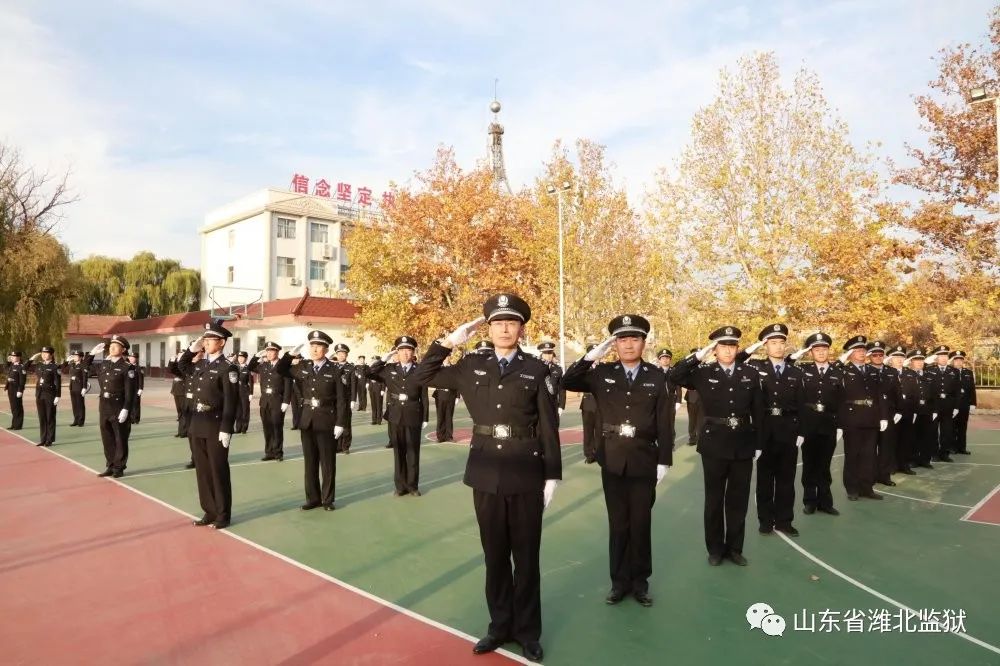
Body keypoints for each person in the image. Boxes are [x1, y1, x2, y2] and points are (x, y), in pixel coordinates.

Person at [412, 293, 560, 663]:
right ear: (489, 328)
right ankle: (499, 626)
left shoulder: (536, 369)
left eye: (511, 322)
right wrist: (447, 342)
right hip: (485, 473)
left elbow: (548, 425)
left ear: (521, 328)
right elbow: (418, 377)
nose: (505, 328)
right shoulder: (469, 365)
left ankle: (527, 632)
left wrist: (552, 476)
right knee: (495, 557)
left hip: (526, 470)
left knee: (526, 560)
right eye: (497, 323)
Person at [563, 315, 672, 608]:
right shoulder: (602, 373)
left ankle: (640, 583)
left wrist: (665, 459)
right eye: (622, 339)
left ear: (644, 343)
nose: (628, 345)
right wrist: (591, 356)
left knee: (640, 523)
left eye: (634, 339)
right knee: (618, 524)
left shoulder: (657, 376)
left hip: (643, 458)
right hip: (611, 458)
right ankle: (618, 583)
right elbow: (567, 380)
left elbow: (665, 420)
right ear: (615, 344)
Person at [668, 326, 764, 567]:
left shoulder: (750, 373)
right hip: (714, 442)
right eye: (722, 346)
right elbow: (674, 376)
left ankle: (734, 548)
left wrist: (759, 442)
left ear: (737, 349)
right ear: (715, 349)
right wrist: (699, 355)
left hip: (743, 441)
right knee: (714, 499)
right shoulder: (703, 373)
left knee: (738, 499)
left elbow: (759, 411)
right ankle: (714, 548)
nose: (728, 350)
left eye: (732, 346)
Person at [737, 324, 805, 537]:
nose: (778, 347)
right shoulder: (755, 367)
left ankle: (785, 520)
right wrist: (753, 347)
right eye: (772, 342)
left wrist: (801, 431)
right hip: (764, 428)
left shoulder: (796, 371)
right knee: (765, 478)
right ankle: (765, 520)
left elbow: (802, 404)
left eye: (781, 342)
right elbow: (736, 361)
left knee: (786, 479)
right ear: (765, 345)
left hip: (788, 429)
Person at [276, 330, 348, 511]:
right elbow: (281, 369)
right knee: (310, 462)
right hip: (307, 419)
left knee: (327, 462)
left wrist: (341, 422)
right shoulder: (303, 366)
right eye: (312, 346)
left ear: (326, 349)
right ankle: (312, 498)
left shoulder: (335, 370)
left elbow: (341, 400)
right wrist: (290, 354)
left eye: (318, 346)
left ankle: (327, 499)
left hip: (327, 419)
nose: (314, 349)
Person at [178, 322, 239, 528]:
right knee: (203, 472)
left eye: (209, 339)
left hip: (215, 425)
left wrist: (226, 428)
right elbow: (180, 366)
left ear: (221, 343)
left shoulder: (228, 368)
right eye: (204, 339)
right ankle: (209, 511)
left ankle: (223, 514)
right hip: (197, 424)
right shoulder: (201, 364)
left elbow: (232, 401)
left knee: (218, 471)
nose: (205, 342)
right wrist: (192, 349)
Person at [367, 337, 430, 495]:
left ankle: (413, 486)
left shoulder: (419, 370)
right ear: (397, 352)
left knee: (413, 452)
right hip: (395, 414)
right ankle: (400, 487)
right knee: (398, 452)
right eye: (402, 350)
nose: (405, 353)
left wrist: (425, 417)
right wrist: (383, 359)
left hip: (413, 413)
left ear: (413, 352)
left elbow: (424, 396)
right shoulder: (389, 369)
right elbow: (369, 373)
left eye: (408, 350)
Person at [793, 333, 843, 516]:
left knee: (824, 465)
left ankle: (825, 502)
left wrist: (840, 426)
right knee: (809, 465)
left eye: (824, 349)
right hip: (809, 424)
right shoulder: (802, 370)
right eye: (816, 349)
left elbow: (842, 402)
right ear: (811, 352)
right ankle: (809, 501)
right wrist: (801, 352)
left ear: (828, 351)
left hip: (829, 424)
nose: (821, 353)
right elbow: (788, 363)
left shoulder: (838, 372)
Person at [836, 335, 888, 501]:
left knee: (869, 456)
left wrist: (883, 416)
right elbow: (832, 373)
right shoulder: (843, 371)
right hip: (852, 418)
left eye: (863, 350)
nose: (861, 353)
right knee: (853, 455)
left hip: (871, 418)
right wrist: (841, 359)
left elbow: (880, 395)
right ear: (850, 353)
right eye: (857, 350)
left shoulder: (873, 371)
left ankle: (867, 487)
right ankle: (852, 489)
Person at [83, 335, 136, 477]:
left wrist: (126, 408)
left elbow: (130, 392)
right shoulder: (104, 365)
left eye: (116, 345)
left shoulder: (127, 368)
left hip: (118, 406)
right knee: (107, 437)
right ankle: (110, 465)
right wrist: (91, 354)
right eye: (111, 345)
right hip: (104, 405)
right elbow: (84, 368)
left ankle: (119, 467)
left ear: (123, 349)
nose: (112, 347)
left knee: (120, 437)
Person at [248, 341, 292, 462]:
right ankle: (269, 452)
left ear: (277, 352)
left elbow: (288, 384)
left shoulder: (283, 366)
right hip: (265, 402)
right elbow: (250, 367)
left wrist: (286, 401)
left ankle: (278, 452)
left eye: (271, 351)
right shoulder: (264, 366)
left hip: (277, 401)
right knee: (267, 428)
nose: (269, 353)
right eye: (267, 351)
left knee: (277, 427)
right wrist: (256, 356)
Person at [900, 348, 939, 470]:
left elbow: (934, 394)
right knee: (912, 436)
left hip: (927, 409)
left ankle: (925, 460)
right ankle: (912, 459)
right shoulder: (906, 375)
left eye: (921, 360)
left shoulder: (929, 375)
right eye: (916, 360)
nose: (919, 362)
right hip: (913, 410)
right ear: (911, 362)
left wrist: (935, 410)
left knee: (927, 435)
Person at [925, 345, 960, 462]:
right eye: (941, 356)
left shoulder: (954, 371)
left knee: (947, 431)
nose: (944, 358)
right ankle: (934, 453)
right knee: (932, 430)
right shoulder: (929, 370)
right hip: (933, 405)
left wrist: (956, 407)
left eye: (945, 356)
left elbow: (957, 391)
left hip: (948, 405)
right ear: (936, 358)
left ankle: (944, 453)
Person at [27, 346, 61, 447]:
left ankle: (49, 439)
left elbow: (57, 382)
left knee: (50, 417)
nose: (44, 355)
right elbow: (25, 367)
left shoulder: (55, 367)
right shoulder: (39, 365)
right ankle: (43, 439)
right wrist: (32, 358)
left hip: (50, 395)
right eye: (42, 353)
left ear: (51, 355)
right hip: (39, 394)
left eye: (46, 353)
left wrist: (58, 395)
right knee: (42, 417)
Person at [654, 348, 682, 449]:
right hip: (658, 401)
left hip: (671, 400)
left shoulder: (674, 372)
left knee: (670, 424)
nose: (665, 360)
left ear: (670, 360)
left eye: (667, 358)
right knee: (658, 423)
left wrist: (678, 401)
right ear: (659, 360)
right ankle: (659, 443)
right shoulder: (655, 372)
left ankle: (671, 444)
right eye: (662, 358)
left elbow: (678, 387)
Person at [951, 350, 976, 456]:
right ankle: (952, 448)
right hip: (952, 405)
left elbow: (972, 389)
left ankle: (962, 447)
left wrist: (973, 403)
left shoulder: (968, 373)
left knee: (962, 427)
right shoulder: (949, 372)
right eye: (956, 360)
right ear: (953, 361)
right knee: (952, 427)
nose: (958, 362)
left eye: (960, 360)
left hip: (964, 404)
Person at [332, 343, 356, 454]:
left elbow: (353, 385)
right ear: (336, 354)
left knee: (346, 423)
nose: (341, 355)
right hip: (334, 399)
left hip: (346, 399)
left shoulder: (350, 368)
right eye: (339, 353)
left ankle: (345, 445)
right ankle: (336, 445)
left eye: (343, 353)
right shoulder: (332, 367)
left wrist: (353, 400)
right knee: (335, 422)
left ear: (346, 355)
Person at [579, 343, 600, 464]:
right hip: (588, 402)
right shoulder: (584, 369)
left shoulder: (603, 368)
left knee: (600, 430)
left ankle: (599, 452)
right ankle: (589, 454)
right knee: (588, 430)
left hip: (600, 403)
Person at [432, 356, 458, 443]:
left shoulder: (453, 368)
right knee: (440, 416)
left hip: (451, 395)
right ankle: (440, 436)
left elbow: (457, 382)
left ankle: (449, 436)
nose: (446, 358)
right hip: (440, 395)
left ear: (450, 357)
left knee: (449, 416)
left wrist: (457, 396)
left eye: (448, 356)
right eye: (445, 356)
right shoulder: (438, 368)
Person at [537, 342, 566, 416]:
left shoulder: (558, 369)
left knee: (553, 427)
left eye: (550, 353)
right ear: (541, 354)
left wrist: (561, 406)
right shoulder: (535, 367)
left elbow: (561, 389)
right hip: (538, 405)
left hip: (553, 404)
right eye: (546, 353)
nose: (548, 355)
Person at [684, 349, 703, 447]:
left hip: (702, 396)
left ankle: (700, 439)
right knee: (692, 420)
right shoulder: (688, 367)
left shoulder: (704, 366)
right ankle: (692, 438)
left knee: (701, 420)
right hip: (691, 396)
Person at [65, 350, 89, 427]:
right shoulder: (72, 364)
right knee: (74, 404)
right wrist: (66, 361)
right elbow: (63, 369)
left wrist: (84, 387)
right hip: (72, 387)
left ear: (81, 357)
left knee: (80, 404)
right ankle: (76, 420)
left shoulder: (83, 365)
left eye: (76, 356)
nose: (74, 357)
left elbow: (85, 377)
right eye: (74, 356)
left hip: (79, 387)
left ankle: (81, 421)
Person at [4, 351, 27, 430]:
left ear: (18, 357)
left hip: (17, 389)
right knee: (13, 407)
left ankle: (18, 425)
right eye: (11, 356)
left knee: (18, 407)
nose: (12, 358)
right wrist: (8, 361)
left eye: (13, 356)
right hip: (10, 388)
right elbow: (5, 368)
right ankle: (14, 424)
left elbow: (22, 380)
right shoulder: (12, 365)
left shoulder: (21, 367)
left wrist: (20, 390)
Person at [127, 350, 144, 424]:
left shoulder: (138, 368)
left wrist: (140, 388)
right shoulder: (127, 366)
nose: (131, 358)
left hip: (136, 389)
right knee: (129, 403)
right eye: (130, 357)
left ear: (136, 359)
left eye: (133, 357)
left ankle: (136, 418)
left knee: (136, 404)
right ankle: (130, 418)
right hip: (128, 388)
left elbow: (141, 378)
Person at [368, 355, 385, 425]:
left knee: (379, 404)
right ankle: (374, 419)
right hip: (371, 387)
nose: (374, 361)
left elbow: (384, 379)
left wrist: (383, 389)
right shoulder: (370, 368)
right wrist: (368, 382)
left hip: (378, 387)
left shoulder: (382, 369)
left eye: (375, 360)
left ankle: (379, 420)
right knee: (373, 404)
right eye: (373, 360)